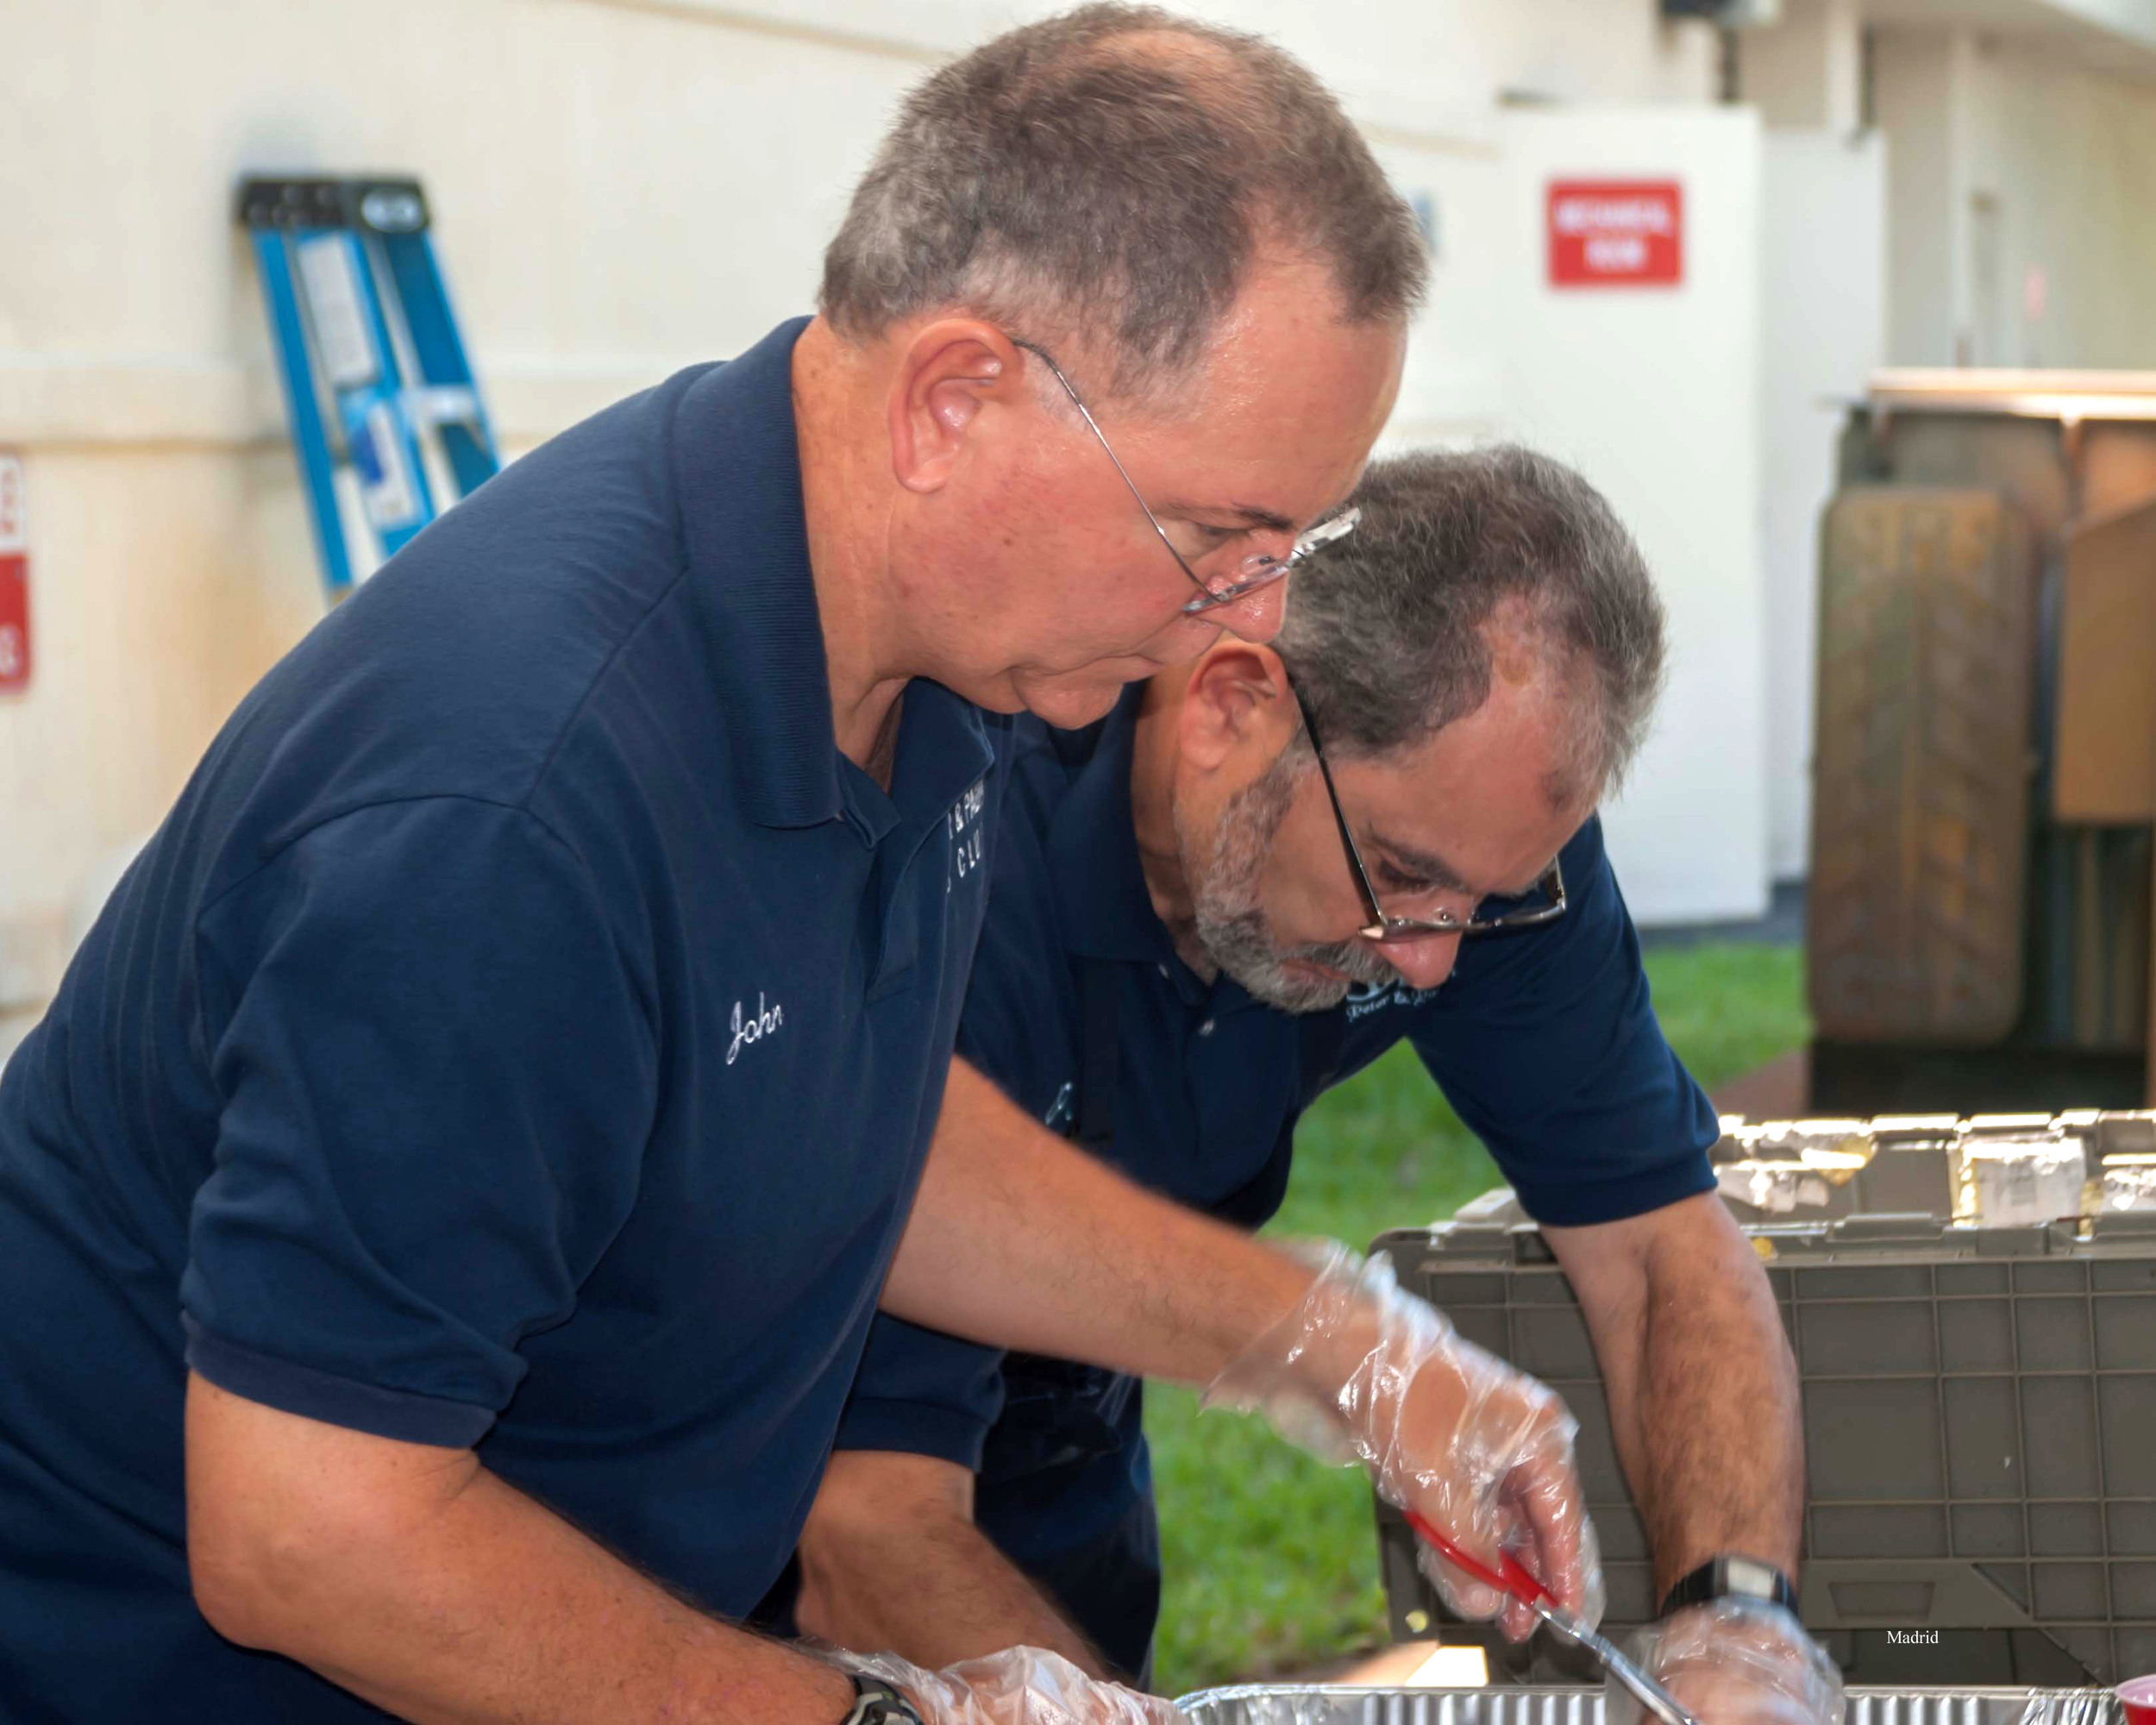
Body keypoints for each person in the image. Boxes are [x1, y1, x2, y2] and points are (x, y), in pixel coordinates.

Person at [0, 9, 1612, 1725]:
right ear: (952, 400)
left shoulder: (931, 650)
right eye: (1221, 536)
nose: (1255, 615)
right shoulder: (511, 814)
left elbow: (853, 1130)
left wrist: (1349, 1356)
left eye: (1296, 542)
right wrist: (859, 1718)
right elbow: (314, 1529)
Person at [784, 448, 1844, 1724]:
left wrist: (1739, 1625)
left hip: (1068, 1496)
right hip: (753, 1559)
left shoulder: (1480, 855)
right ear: (1233, 706)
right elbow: (864, 1527)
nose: (1433, 954)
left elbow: (1665, 1248)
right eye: (1399, 873)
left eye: (1487, 900)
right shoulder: (966, 863)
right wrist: (1334, 1342)